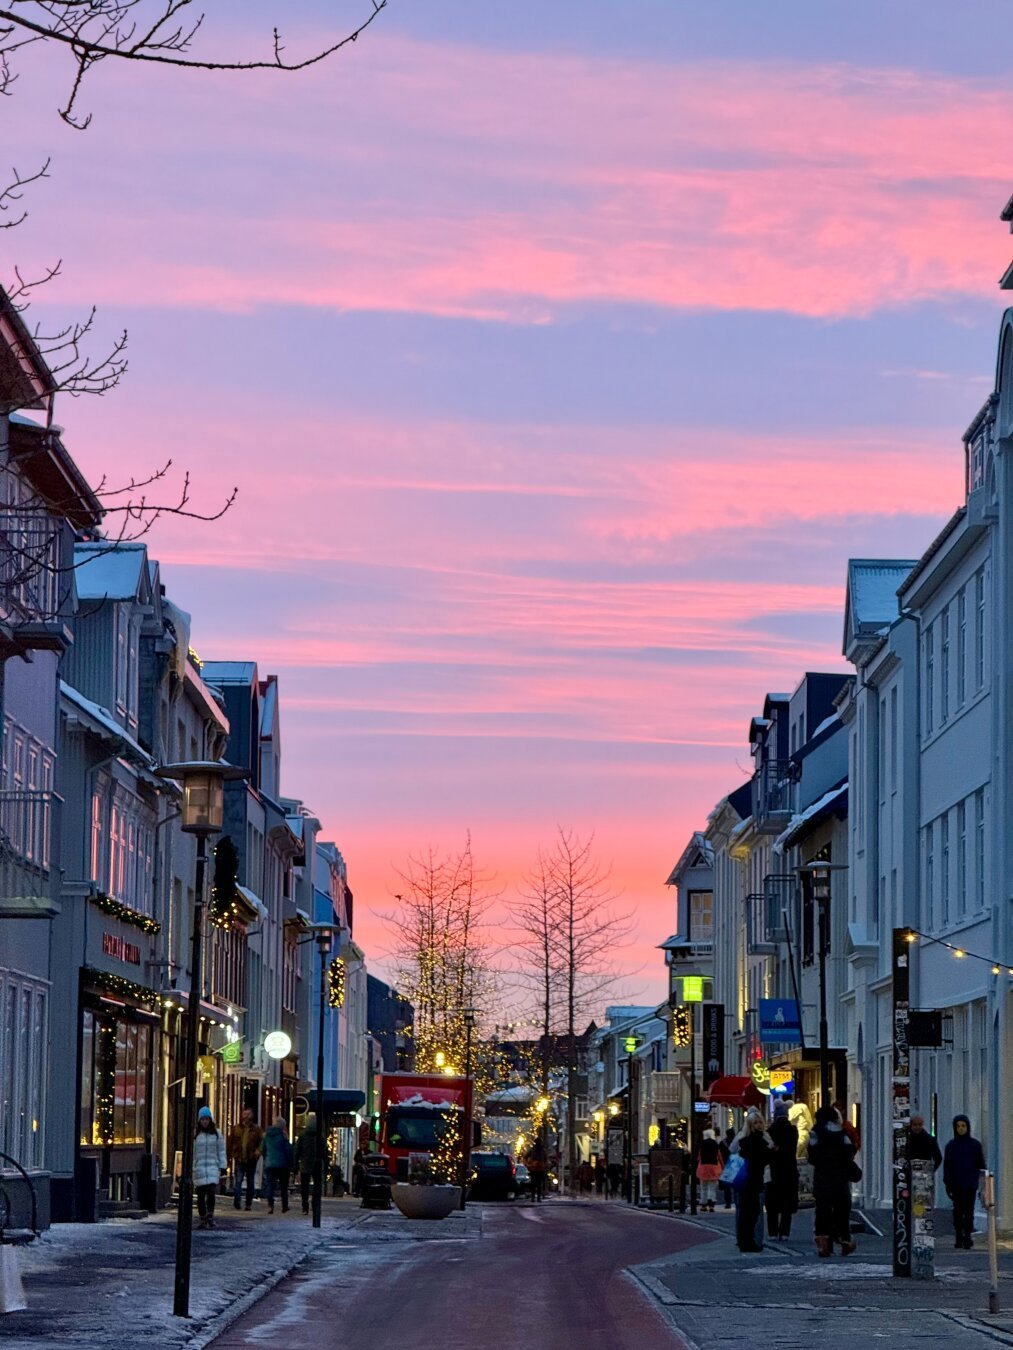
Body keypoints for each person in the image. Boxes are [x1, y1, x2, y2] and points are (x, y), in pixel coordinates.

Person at [808, 1104, 857, 1257]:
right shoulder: (841, 1133)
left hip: (822, 1178)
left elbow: (812, 1156)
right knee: (842, 1211)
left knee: (822, 1211)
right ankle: (845, 1240)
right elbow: (850, 1151)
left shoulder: (815, 1133)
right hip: (840, 1178)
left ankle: (824, 1242)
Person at [734, 1110, 775, 1252]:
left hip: (750, 1179)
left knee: (749, 1211)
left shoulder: (752, 1139)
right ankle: (748, 1242)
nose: (758, 1125)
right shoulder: (754, 1140)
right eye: (755, 1123)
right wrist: (771, 1150)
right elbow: (762, 1159)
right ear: (750, 1125)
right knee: (751, 1212)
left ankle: (746, 1241)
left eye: (759, 1122)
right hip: (751, 1179)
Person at [943, 1114, 986, 1250]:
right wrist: (948, 1183)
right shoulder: (951, 1146)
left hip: (970, 1183)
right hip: (956, 1183)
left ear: (968, 1127)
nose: (961, 1129)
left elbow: (980, 1163)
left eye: (963, 1126)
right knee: (958, 1211)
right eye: (958, 1126)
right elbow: (948, 1165)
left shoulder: (974, 1145)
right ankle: (958, 1236)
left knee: (968, 1211)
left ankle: (967, 1236)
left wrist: (980, 1179)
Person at [765, 1101, 800, 1240]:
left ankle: (773, 1232)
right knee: (787, 1203)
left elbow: (768, 1151)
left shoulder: (770, 1131)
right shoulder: (793, 1130)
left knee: (772, 1203)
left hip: (774, 1171)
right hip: (789, 1170)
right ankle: (785, 1232)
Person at [193, 1105, 228, 1230]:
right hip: (200, 1168)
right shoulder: (196, 1135)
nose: (205, 1122)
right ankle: (202, 1217)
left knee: (211, 1193)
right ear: (199, 1121)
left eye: (207, 1119)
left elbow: (221, 1151)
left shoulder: (217, 1134)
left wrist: (223, 1167)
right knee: (201, 1195)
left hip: (213, 1167)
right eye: (203, 1119)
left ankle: (210, 1215)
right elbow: (193, 1152)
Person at [228, 1107, 264, 1211]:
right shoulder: (236, 1129)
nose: (246, 1116)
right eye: (245, 1114)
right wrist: (231, 1155)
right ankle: (237, 1201)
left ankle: (248, 1203)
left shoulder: (256, 1129)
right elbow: (231, 1142)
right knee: (238, 1181)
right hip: (239, 1158)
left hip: (251, 1159)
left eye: (248, 1114)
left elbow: (262, 1142)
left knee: (250, 1181)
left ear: (252, 1115)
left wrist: (258, 1152)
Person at [294, 1112, 329, 1216]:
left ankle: (305, 1206)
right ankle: (315, 1205)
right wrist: (326, 1165)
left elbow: (297, 1151)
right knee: (317, 1187)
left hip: (305, 1164)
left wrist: (295, 1164)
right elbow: (324, 1152)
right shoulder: (320, 1136)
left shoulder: (303, 1135)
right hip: (317, 1165)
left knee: (304, 1187)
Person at [261, 1116, 293, 1214]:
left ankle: (270, 1205)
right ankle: (284, 1206)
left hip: (270, 1163)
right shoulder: (283, 1136)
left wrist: (267, 1158)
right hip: (283, 1164)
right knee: (284, 1186)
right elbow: (288, 1150)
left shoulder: (267, 1135)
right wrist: (291, 1162)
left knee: (270, 1185)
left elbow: (263, 1148)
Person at [695, 1127, 723, 1213]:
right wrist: (723, 1167)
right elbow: (719, 1157)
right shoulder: (715, 1144)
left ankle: (703, 1204)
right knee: (712, 1187)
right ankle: (711, 1204)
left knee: (703, 1187)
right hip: (714, 1167)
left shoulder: (702, 1144)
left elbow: (699, 1157)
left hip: (703, 1167)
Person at [525, 1137, 547, 1202]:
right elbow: (526, 1157)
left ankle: (535, 1197)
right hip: (536, 1169)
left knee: (535, 1184)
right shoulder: (536, 1150)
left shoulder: (537, 1150)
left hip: (537, 1169)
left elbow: (545, 1159)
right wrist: (528, 1164)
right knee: (537, 1184)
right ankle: (536, 1197)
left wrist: (528, 1164)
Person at [719, 1127, 734, 1209]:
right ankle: (736, 1200)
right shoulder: (736, 1142)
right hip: (735, 1164)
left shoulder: (722, 1143)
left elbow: (719, 1154)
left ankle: (728, 1202)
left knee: (726, 1186)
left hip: (725, 1165)